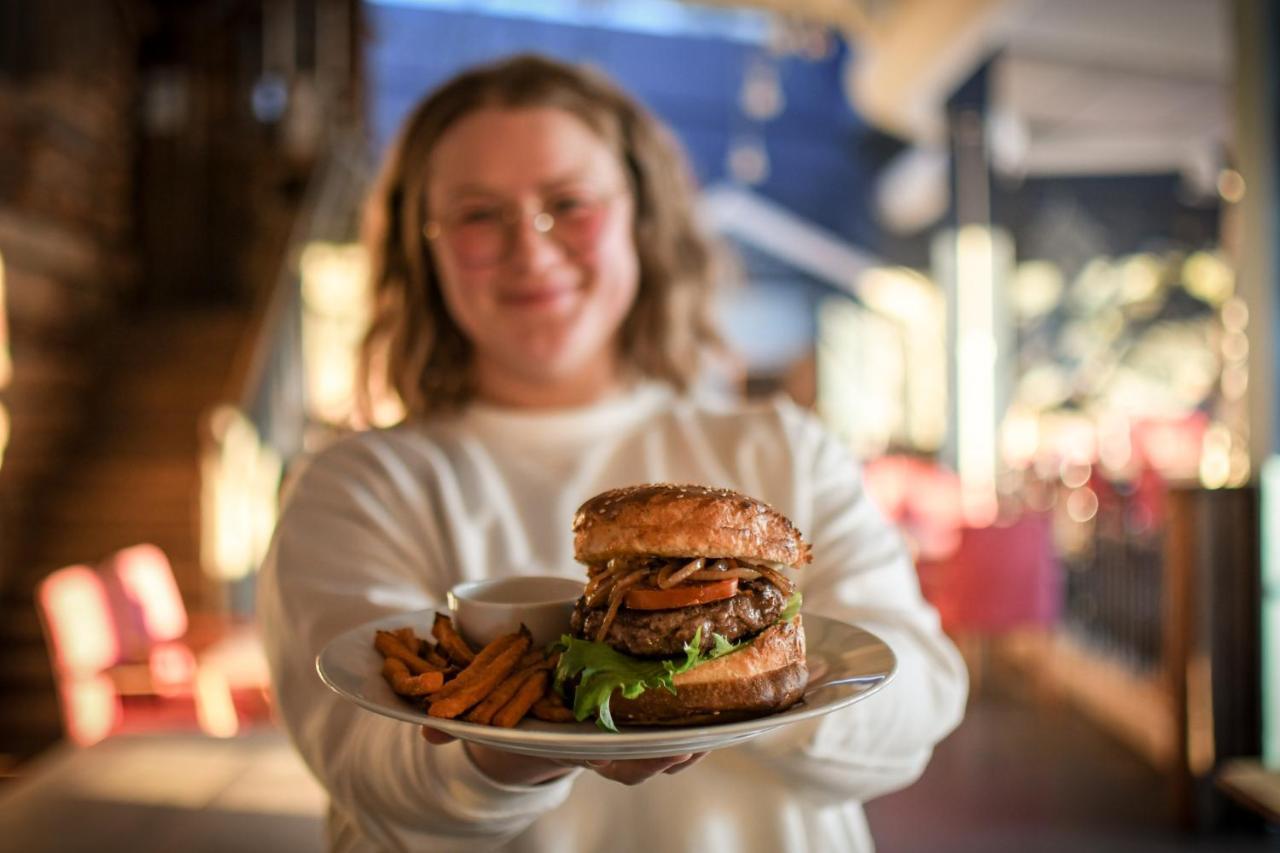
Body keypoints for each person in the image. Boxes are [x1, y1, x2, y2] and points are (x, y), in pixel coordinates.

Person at [257, 53, 967, 852]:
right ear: (427, 250)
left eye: (568, 202)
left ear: (642, 217)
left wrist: (746, 686)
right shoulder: (357, 485)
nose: (531, 246)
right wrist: (499, 757)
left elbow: (920, 706)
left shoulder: (783, 446)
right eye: (478, 214)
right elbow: (363, 767)